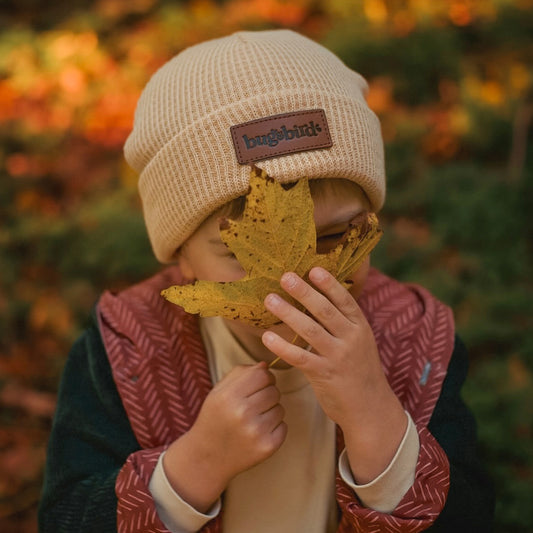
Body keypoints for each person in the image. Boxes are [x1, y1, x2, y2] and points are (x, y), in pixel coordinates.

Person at [38, 29, 494, 532]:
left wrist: (376, 420)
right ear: (183, 258)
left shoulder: (416, 342)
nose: (300, 280)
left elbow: (471, 517)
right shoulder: (128, 352)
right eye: (242, 252)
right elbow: (65, 518)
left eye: (338, 234)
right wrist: (194, 467)